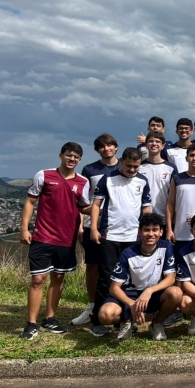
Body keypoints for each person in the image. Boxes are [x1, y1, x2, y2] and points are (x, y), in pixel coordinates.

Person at [19, 142, 91, 339]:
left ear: (80, 160)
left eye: (76, 157)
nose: (72, 159)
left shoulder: (83, 182)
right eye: (69, 155)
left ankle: (50, 319)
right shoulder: (44, 175)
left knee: (58, 278)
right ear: (61, 155)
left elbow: (84, 207)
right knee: (38, 279)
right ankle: (31, 323)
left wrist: (104, 209)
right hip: (43, 236)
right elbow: (30, 201)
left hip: (66, 239)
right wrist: (24, 228)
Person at [89, 147, 152, 336]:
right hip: (110, 236)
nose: (132, 170)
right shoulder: (108, 178)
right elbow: (96, 205)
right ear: (121, 161)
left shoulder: (143, 180)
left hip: (133, 237)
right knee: (106, 278)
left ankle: (123, 319)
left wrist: (146, 231)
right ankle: (96, 320)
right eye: (129, 166)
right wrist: (94, 228)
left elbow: (146, 208)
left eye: (136, 167)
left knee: (129, 280)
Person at [97, 213, 181, 341]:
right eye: (146, 230)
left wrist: (149, 290)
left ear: (161, 232)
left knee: (176, 293)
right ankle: (126, 320)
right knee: (105, 315)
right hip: (130, 295)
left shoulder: (166, 247)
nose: (151, 234)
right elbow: (114, 288)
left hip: (152, 295)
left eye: (155, 230)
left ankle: (157, 323)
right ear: (140, 232)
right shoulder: (128, 253)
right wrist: (132, 305)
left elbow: (171, 278)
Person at [74, 133, 119, 327]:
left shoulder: (125, 166)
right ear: (97, 150)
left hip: (118, 226)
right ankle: (92, 306)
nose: (106, 149)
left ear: (116, 147)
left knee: (118, 267)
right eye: (102, 146)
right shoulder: (89, 169)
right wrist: (80, 226)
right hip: (92, 225)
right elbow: (82, 200)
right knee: (92, 266)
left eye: (109, 145)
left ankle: (116, 305)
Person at [166, 144, 195, 255]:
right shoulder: (177, 178)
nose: (194, 158)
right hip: (181, 233)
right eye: (192, 155)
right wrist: (169, 229)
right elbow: (170, 204)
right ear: (186, 158)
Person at [138, 131, 177, 217]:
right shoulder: (139, 167)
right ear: (146, 144)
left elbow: (175, 194)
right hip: (143, 216)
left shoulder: (171, 168)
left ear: (163, 146)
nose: (154, 144)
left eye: (157, 141)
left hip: (164, 216)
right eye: (151, 141)